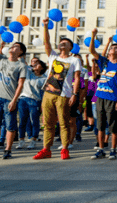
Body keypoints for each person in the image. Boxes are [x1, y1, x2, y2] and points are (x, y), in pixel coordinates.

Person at [33, 18, 82, 160]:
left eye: (65, 43)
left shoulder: (74, 60)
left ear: (70, 47)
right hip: (48, 93)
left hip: (64, 94)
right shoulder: (53, 57)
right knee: (47, 123)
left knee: (63, 123)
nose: (62, 43)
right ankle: (46, 149)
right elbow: (47, 42)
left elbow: (77, 78)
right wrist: (45, 26)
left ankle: (65, 149)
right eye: (61, 42)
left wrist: (74, 94)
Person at [0, 31, 28, 160]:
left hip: (9, 100)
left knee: (10, 126)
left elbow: (20, 85)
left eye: (16, 47)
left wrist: (14, 100)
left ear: (20, 52)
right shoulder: (1, 60)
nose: (12, 47)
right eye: (12, 46)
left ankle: (8, 150)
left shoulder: (21, 66)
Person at [88, 29, 117, 159]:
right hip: (100, 97)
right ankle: (101, 149)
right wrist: (94, 36)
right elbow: (92, 51)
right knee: (100, 126)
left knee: (113, 127)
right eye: (112, 48)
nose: (113, 49)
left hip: (113, 98)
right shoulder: (104, 62)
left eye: (116, 48)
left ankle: (113, 149)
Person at [18, 57, 46, 150]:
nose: (35, 65)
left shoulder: (43, 78)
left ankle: (33, 140)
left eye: (38, 64)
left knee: (34, 121)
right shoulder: (28, 73)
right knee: (22, 121)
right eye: (34, 64)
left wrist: (42, 104)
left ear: (42, 67)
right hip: (23, 99)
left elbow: (44, 93)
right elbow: (23, 64)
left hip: (35, 100)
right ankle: (21, 140)